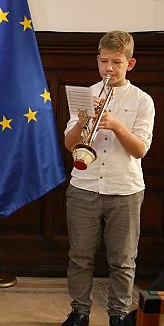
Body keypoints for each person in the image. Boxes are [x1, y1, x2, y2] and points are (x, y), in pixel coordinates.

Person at [62, 31, 155, 326]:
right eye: (104, 61)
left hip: (124, 189)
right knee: (79, 257)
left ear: (130, 63)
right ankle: (79, 312)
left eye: (116, 62)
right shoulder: (85, 93)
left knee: (123, 260)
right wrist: (84, 119)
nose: (109, 69)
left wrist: (115, 124)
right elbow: (69, 144)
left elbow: (139, 149)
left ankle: (117, 316)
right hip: (84, 187)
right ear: (98, 61)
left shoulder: (143, 101)